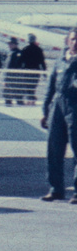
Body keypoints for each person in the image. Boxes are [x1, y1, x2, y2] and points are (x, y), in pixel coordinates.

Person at [42, 29, 77, 201]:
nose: (76, 42)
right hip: (57, 106)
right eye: (73, 39)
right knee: (54, 150)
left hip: (75, 107)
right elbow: (50, 88)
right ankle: (56, 188)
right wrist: (45, 112)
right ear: (67, 41)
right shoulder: (60, 62)